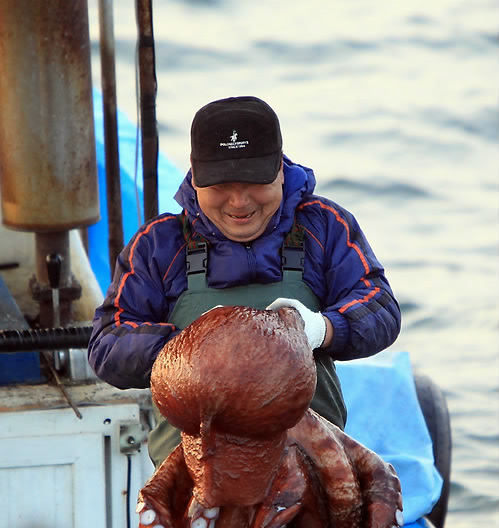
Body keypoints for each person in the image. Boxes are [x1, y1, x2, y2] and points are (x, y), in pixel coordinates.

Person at [88, 96, 401, 467]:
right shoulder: (159, 245)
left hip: (309, 468)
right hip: (197, 475)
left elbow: (380, 307)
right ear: (195, 176)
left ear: (280, 170)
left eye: (254, 182)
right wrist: (193, 348)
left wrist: (321, 329)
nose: (238, 202)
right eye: (221, 185)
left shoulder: (324, 226)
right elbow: (107, 345)